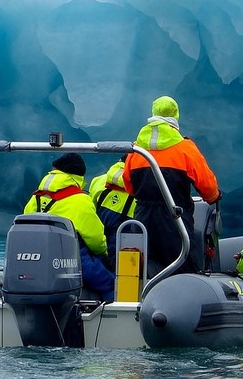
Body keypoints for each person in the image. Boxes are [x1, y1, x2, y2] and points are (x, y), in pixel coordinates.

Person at [123, 95, 220, 275]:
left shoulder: (136, 150)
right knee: (183, 265)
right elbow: (207, 186)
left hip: (142, 216)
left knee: (143, 267)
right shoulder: (185, 148)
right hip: (174, 218)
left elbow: (129, 186)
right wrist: (214, 197)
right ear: (175, 118)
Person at [23, 152, 115, 302]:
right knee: (109, 283)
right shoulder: (80, 200)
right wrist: (104, 254)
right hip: (71, 257)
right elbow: (96, 239)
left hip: (36, 256)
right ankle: (111, 317)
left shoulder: (36, 197)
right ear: (79, 176)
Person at [87, 157, 136, 267]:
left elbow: (91, 215)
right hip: (130, 252)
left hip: (99, 250)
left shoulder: (97, 181)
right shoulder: (144, 186)